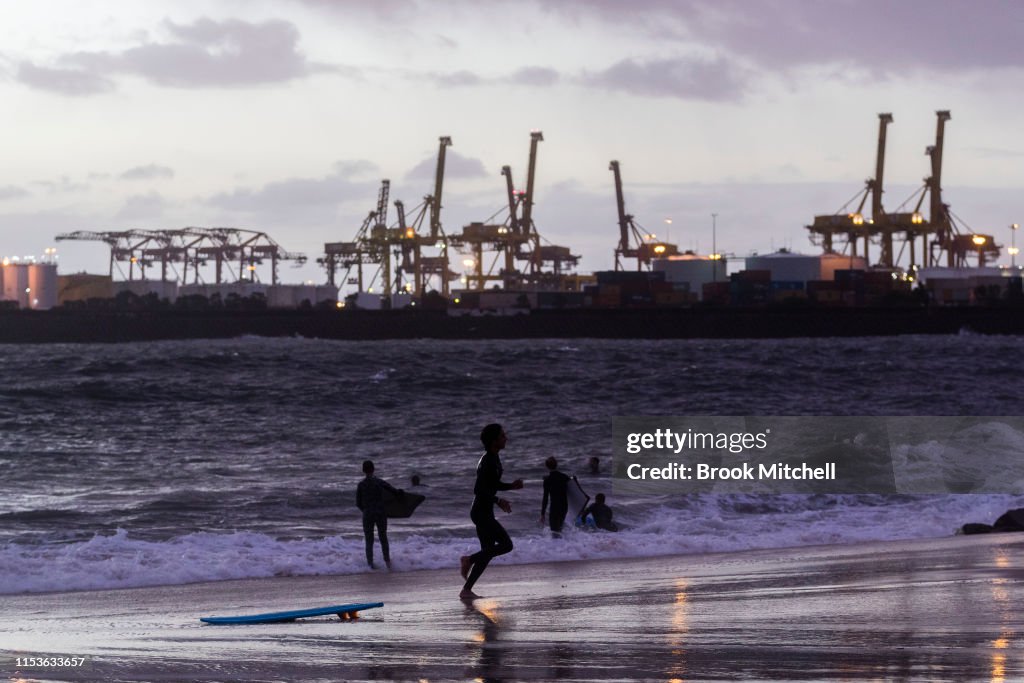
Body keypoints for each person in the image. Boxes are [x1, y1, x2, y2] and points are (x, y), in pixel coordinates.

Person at [459, 423, 523, 599]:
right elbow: (479, 490)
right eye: (503, 436)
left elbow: (492, 485)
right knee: (506, 545)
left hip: (483, 511)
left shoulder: (494, 458)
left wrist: (511, 486)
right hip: (481, 511)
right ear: (494, 441)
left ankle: (466, 590)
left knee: (487, 551)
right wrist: (498, 500)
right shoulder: (488, 461)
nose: (506, 438)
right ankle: (469, 560)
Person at [356, 460, 400, 569]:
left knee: (369, 540)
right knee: (383, 538)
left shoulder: (361, 485)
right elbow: (394, 492)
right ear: (373, 469)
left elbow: (358, 503)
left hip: (367, 514)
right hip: (380, 512)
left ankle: (370, 564)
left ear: (363, 470)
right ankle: (388, 563)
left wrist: (365, 510)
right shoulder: (380, 482)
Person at [540, 456, 571, 535]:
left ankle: (558, 546)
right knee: (560, 529)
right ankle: (565, 545)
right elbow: (573, 490)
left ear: (547, 466)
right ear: (556, 465)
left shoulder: (547, 480)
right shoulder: (565, 477)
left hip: (555, 507)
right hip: (564, 506)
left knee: (554, 531)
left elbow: (545, 498)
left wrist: (542, 514)